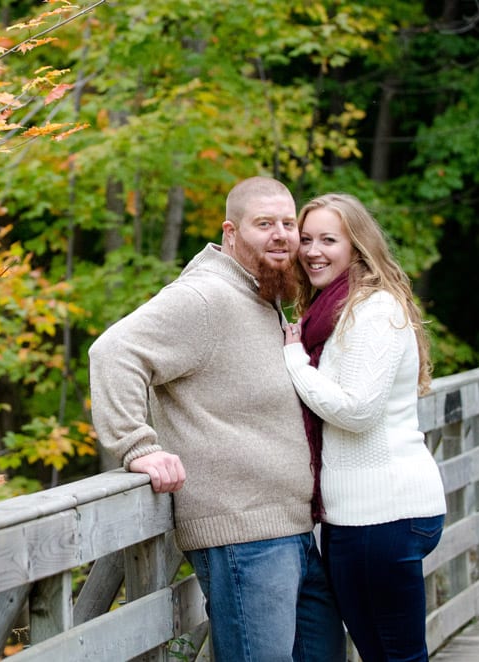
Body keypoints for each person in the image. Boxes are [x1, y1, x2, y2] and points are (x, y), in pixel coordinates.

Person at [88, 176, 346, 662]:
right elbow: (114, 352)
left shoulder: (262, 296)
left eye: (289, 224)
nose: (282, 235)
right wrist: (137, 446)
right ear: (231, 232)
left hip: (293, 531)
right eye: (264, 224)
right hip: (242, 537)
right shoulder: (206, 297)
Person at [282, 193, 447, 662]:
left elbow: (356, 411)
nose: (313, 250)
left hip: (383, 514)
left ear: (357, 246)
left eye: (329, 239)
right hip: (359, 517)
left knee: (397, 657)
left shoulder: (373, 311)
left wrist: (292, 358)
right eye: (307, 238)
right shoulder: (331, 313)